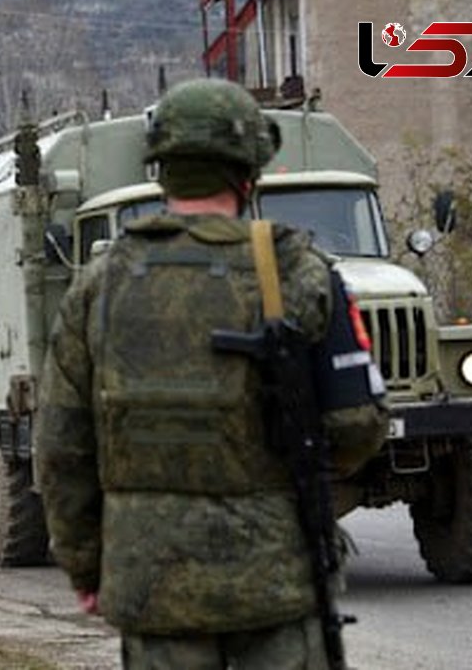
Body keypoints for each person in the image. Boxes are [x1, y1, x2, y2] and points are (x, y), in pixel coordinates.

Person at [34, 78, 388, 669]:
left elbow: (62, 447)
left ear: (161, 169)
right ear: (250, 171)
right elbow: (357, 424)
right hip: (277, 576)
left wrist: (84, 565)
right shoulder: (300, 273)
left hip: (149, 581)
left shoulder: (98, 285)